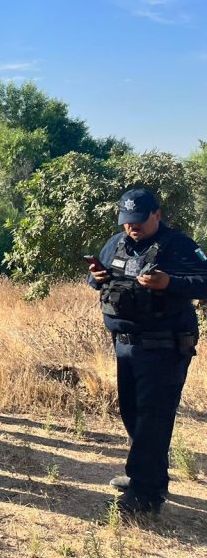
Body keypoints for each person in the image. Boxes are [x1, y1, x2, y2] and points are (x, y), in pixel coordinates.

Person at [88, 188, 206, 516]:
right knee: (133, 414)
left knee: (152, 417)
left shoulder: (179, 245)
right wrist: (95, 278)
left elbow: (204, 281)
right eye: (126, 222)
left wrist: (170, 282)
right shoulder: (117, 242)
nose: (132, 227)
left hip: (164, 346)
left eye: (139, 220)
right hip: (125, 344)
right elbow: (96, 278)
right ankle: (148, 476)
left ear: (157, 214)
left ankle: (145, 495)